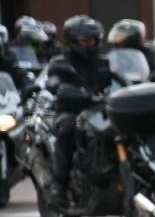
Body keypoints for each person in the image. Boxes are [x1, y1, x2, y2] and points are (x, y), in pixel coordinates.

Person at [43, 16, 116, 206]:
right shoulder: (60, 63)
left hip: (99, 112)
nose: (89, 45)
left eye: (92, 40)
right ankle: (59, 184)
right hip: (70, 112)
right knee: (67, 129)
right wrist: (64, 89)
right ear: (72, 41)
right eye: (84, 41)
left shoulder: (105, 63)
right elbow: (53, 83)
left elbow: (122, 80)